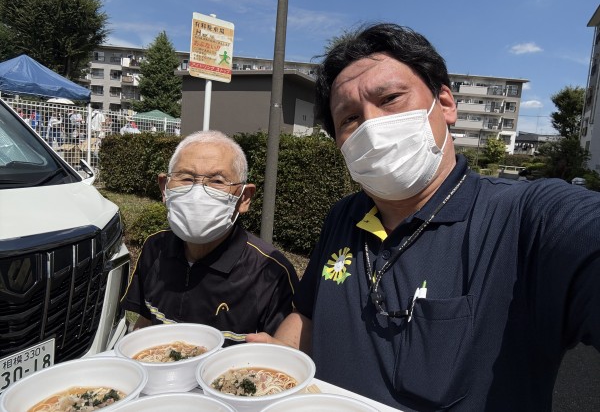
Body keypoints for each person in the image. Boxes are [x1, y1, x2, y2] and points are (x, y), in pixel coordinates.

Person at [246, 23, 600, 410]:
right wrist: (280, 356)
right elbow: (309, 315)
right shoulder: (343, 216)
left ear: (445, 104)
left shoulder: (528, 219)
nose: (372, 125)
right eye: (349, 119)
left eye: (391, 98)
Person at [121, 130, 299, 346]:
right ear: (164, 188)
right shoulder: (155, 247)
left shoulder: (270, 273)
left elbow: (280, 354)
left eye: (217, 181)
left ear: (244, 198)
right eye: (186, 178)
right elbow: (145, 322)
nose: (198, 193)